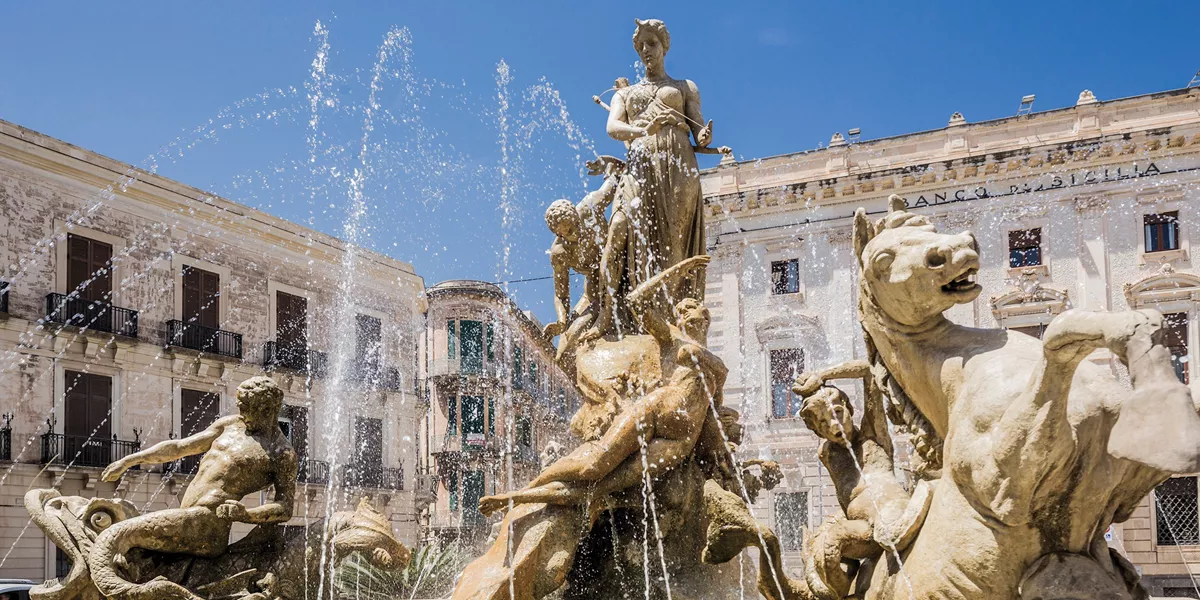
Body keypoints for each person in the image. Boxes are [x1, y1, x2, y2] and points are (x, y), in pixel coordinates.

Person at [479, 256, 723, 515]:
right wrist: (678, 269)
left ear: (705, 315)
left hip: (681, 440)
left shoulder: (713, 361)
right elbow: (636, 300)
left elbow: (715, 411)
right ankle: (519, 494)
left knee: (600, 487)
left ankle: (521, 497)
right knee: (592, 467)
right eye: (679, 311)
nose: (682, 314)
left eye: (688, 309)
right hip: (656, 410)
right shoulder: (672, 336)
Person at [89, 376, 297, 600]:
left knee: (116, 535)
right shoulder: (230, 425)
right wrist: (129, 461)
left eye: (246, 407)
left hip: (206, 524)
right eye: (240, 405)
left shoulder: (282, 454)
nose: (241, 411)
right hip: (184, 516)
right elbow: (180, 447)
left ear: (267, 408)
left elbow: (285, 507)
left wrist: (245, 514)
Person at [589, 19, 714, 339]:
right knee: (620, 227)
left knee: (673, 244)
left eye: (652, 43)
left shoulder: (685, 87)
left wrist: (703, 134)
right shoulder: (626, 93)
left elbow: (698, 129)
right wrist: (644, 130)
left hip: (677, 167)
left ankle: (666, 319)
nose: (646, 50)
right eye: (641, 45)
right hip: (640, 166)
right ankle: (607, 311)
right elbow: (613, 128)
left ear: (664, 46)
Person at [543, 156, 624, 365]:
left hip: (624, 269)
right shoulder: (559, 253)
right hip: (596, 290)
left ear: (576, 216)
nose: (572, 235)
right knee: (564, 354)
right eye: (565, 233)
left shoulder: (589, 207)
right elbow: (561, 294)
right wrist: (561, 322)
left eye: (573, 227)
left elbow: (614, 184)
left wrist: (611, 169)